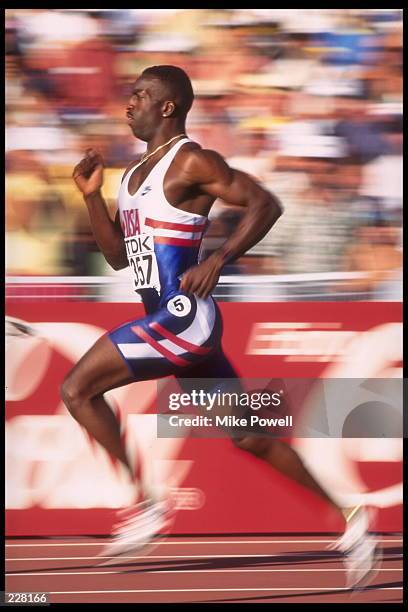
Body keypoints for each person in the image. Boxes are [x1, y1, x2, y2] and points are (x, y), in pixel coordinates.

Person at [66, 65, 379, 586]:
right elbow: (119, 258)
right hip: (172, 323)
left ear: (167, 107)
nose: (129, 103)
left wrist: (219, 258)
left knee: (77, 388)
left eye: (140, 95)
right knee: (248, 436)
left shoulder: (191, 160)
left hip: (183, 318)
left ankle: (145, 505)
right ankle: (354, 521)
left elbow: (266, 203)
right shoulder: (132, 176)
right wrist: (92, 195)